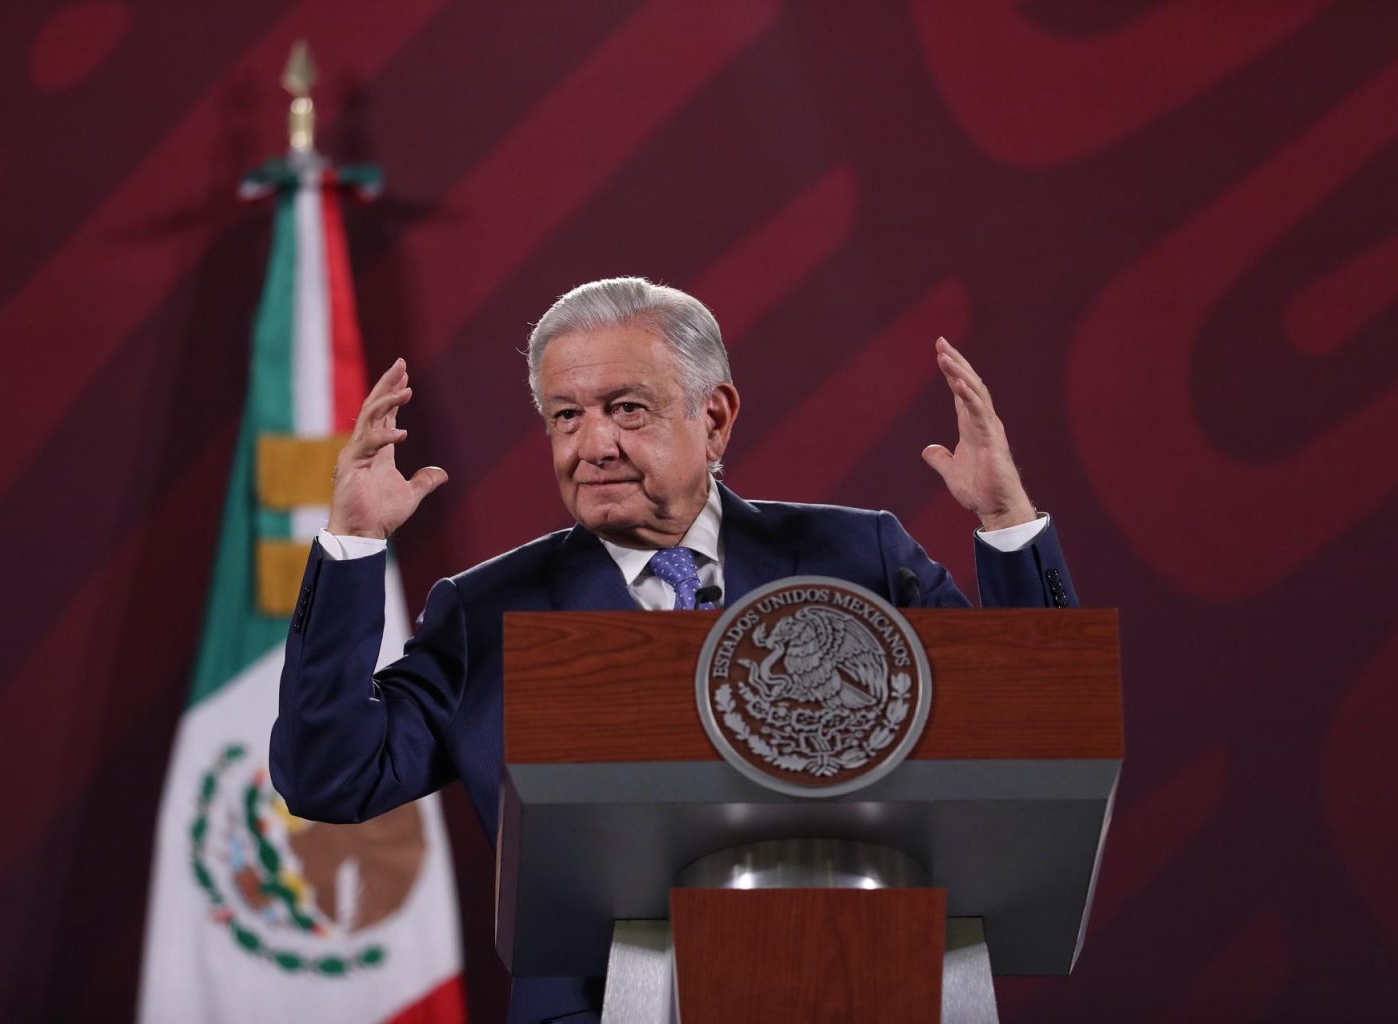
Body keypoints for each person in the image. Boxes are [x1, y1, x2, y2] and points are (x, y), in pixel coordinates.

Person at [271, 277, 1075, 1023]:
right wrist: (354, 546)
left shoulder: (856, 556)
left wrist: (1006, 521)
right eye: (565, 415)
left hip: (857, 986)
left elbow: (1042, 724)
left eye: (626, 409)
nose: (592, 445)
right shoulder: (484, 612)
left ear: (716, 416)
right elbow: (330, 776)